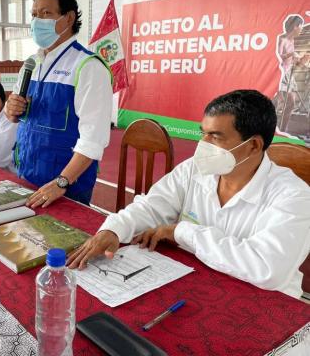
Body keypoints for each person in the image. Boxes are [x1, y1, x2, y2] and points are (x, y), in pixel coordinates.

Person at [68, 90, 310, 298]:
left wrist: (180, 231)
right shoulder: (195, 169)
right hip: (196, 282)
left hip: (265, 306)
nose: (202, 144)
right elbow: (151, 206)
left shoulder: (294, 196)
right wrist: (113, 230)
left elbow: (266, 268)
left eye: (215, 136)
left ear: (254, 145)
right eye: (202, 132)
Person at [4, 0, 113, 207]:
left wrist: (62, 182)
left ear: (69, 18)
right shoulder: (31, 64)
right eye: (34, 15)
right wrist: (11, 111)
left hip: (65, 186)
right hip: (26, 174)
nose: (37, 21)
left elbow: (93, 140)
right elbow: (15, 116)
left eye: (46, 13)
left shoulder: (87, 66)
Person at [275, 15, 308, 133]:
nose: (301, 29)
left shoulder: (292, 41)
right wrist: (291, 55)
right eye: (300, 26)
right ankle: (275, 128)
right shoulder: (282, 40)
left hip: (289, 74)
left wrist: (302, 60)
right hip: (281, 75)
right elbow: (277, 58)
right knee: (280, 102)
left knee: (291, 103)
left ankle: (283, 129)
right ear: (295, 27)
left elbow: (293, 63)